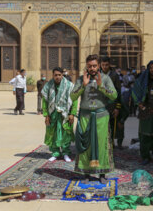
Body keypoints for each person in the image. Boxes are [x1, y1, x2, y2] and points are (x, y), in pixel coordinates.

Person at [71, 54, 117, 184]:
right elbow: (73, 97)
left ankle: (102, 173)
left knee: (101, 145)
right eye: (90, 66)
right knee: (86, 145)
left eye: (94, 65)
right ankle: (86, 173)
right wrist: (83, 86)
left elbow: (114, 95)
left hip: (101, 117)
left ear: (99, 65)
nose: (92, 68)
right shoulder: (81, 79)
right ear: (86, 65)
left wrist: (101, 86)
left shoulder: (106, 78)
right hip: (85, 116)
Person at [41, 67, 78, 162]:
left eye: (59, 75)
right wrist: (46, 115)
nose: (57, 77)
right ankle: (55, 153)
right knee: (53, 134)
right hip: (53, 114)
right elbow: (45, 101)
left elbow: (74, 100)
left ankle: (66, 153)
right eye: (55, 75)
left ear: (62, 75)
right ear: (53, 75)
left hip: (65, 114)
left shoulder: (69, 86)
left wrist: (72, 114)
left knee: (66, 133)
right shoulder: (48, 86)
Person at [100, 56, 127, 149]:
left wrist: (117, 107)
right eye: (103, 65)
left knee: (111, 127)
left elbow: (118, 92)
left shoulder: (114, 75)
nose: (104, 67)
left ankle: (110, 145)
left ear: (109, 64)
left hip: (111, 105)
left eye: (106, 65)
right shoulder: (97, 74)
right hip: (100, 105)